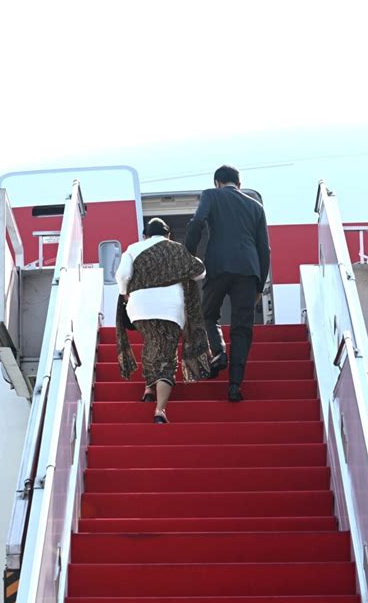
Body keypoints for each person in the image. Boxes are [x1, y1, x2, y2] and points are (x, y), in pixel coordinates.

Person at [185, 165, 271, 402]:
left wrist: (189, 254)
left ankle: (220, 352)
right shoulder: (256, 206)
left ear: (217, 182)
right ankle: (234, 386)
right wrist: (259, 285)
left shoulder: (211, 195)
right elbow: (265, 249)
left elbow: (197, 222)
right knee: (242, 328)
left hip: (219, 266)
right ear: (239, 184)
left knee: (208, 315)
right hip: (248, 271)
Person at [115, 217, 210, 423]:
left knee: (152, 343)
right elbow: (200, 272)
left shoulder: (133, 248)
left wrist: (124, 294)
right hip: (170, 310)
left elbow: (122, 275)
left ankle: (149, 388)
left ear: (145, 235)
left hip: (139, 309)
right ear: (168, 235)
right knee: (166, 355)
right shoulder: (176, 249)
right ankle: (160, 411)